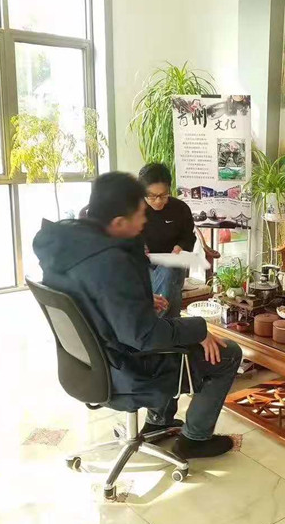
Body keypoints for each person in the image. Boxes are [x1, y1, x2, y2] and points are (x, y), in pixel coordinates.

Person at [33, 171, 240, 459]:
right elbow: (144, 337)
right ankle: (195, 439)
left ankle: (159, 421)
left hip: (90, 363)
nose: (145, 220)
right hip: (126, 369)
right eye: (141, 214)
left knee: (172, 326)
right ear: (119, 222)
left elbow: (91, 298)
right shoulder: (112, 262)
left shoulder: (68, 246)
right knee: (228, 353)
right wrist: (199, 329)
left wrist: (137, 301)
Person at [138, 163, 197, 317]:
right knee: (172, 289)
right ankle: (169, 323)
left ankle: (153, 321)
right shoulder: (133, 210)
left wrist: (181, 247)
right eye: (152, 196)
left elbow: (189, 237)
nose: (158, 201)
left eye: (163, 195)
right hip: (142, 268)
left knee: (170, 271)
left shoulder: (180, 209)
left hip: (172, 263)